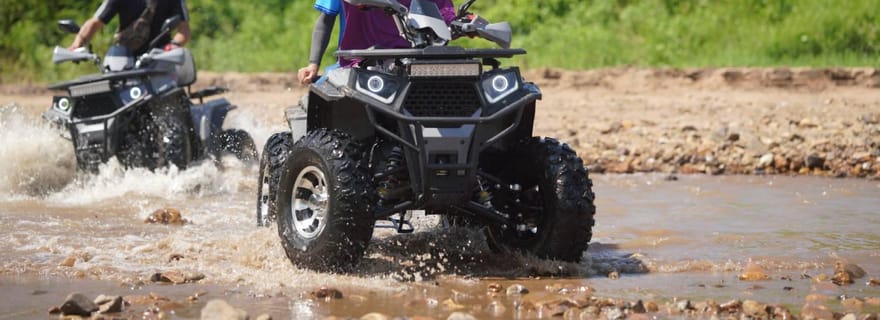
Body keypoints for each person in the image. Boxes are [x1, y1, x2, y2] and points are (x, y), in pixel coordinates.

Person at [297, 0, 456, 85]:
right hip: (360, 63)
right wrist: (313, 64)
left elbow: (446, 23)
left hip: (416, 63)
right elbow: (325, 20)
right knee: (324, 103)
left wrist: (467, 26)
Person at [68, 0, 191, 55]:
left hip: (160, 58)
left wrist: (174, 45)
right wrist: (76, 45)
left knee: (169, 93)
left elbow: (184, 29)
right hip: (123, 57)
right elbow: (95, 23)